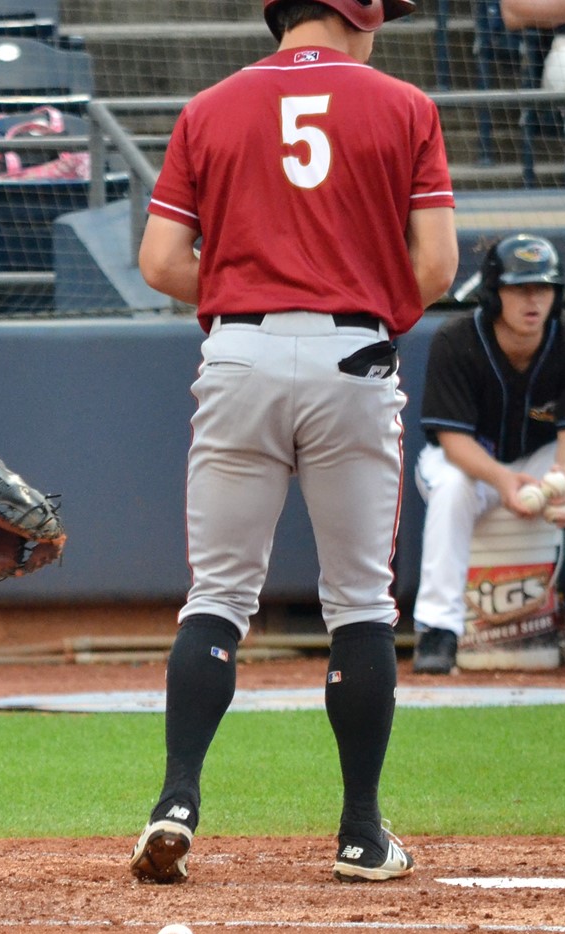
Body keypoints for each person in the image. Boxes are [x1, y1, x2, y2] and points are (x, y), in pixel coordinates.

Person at [128, 0, 457, 887]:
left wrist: (247, 290)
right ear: (355, 13)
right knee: (359, 602)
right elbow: (435, 266)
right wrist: (357, 309)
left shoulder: (209, 106)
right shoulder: (404, 105)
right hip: (355, 350)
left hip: (239, 348)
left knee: (220, 593)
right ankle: (359, 833)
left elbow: (160, 262)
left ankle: (176, 802)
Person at [410, 234, 565, 678]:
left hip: (538, 460)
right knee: (454, 489)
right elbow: (451, 440)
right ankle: (438, 631)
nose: (532, 298)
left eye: (543, 287)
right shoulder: (455, 339)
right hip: (465, 463)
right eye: (519, 288)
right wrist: (502, 481)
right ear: (494, 293)